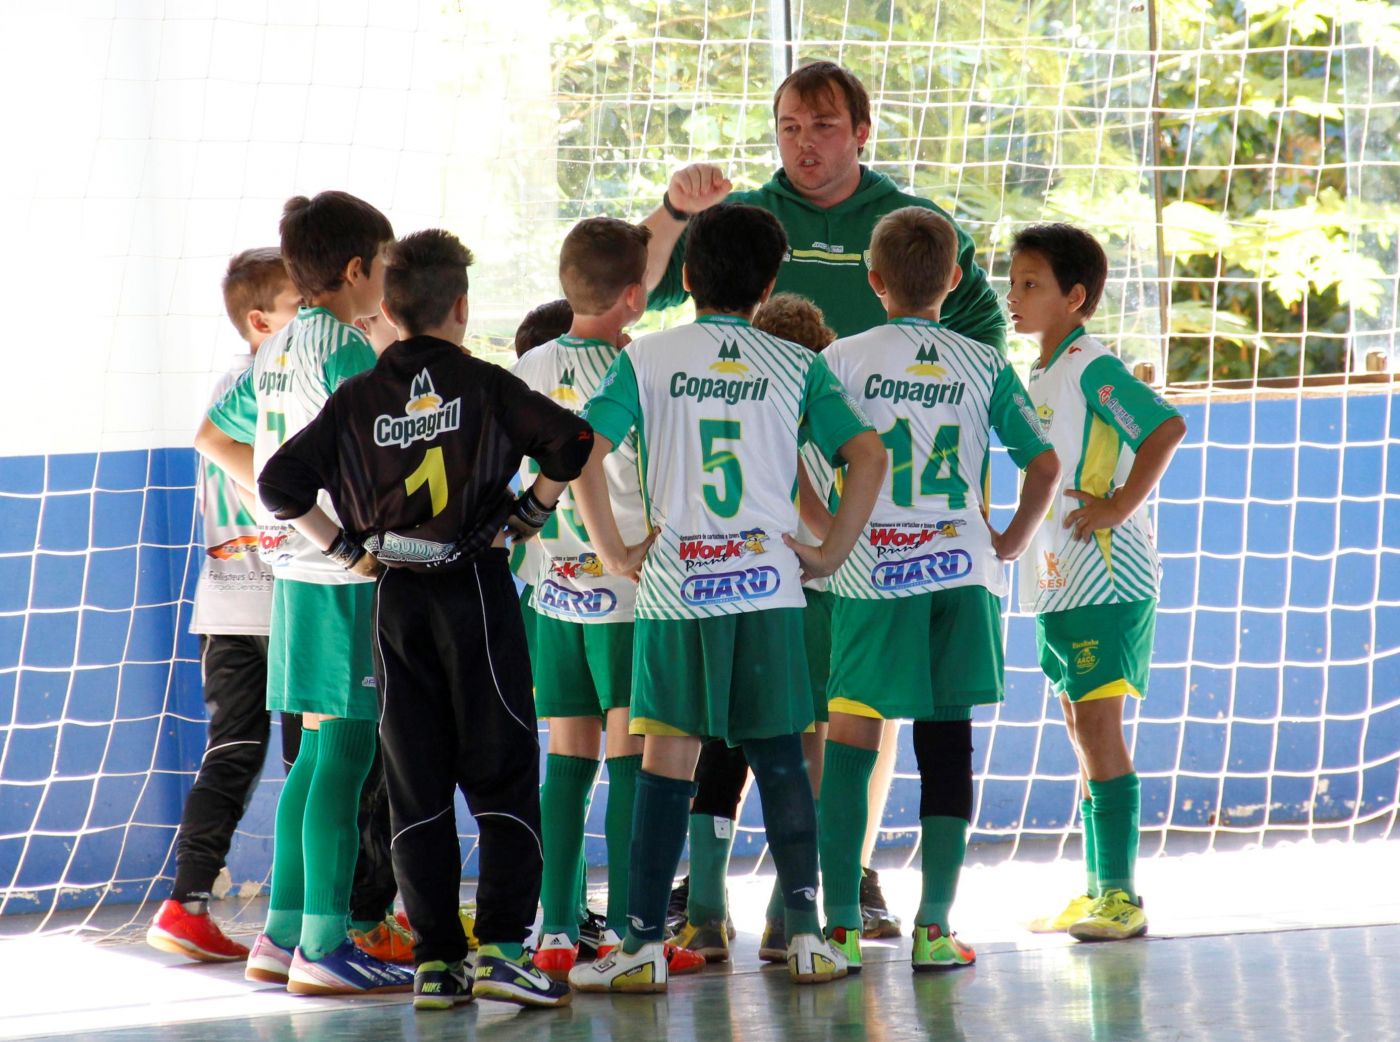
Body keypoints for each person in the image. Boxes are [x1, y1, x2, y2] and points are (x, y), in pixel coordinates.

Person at [643, 60, 1010, 934]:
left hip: (876, 528)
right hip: (771, 517)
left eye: (824, 126)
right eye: (789, 127)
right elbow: (643, 285)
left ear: (862, 131)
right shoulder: (743, 220)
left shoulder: (912, 224)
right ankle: (717, 899)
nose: (804, 144)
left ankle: (832, 884)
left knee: (851, 712)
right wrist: (670, 212)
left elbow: (981, 347)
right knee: (751, 715)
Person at [258, 228, 590, 1009]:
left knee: (415, 781)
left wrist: (348, 550)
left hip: (396, 598)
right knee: (504, 770)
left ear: (392, 307)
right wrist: (531, 511)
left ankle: (437, 963)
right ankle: (503, 949)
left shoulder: (359, 395)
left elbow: (278, 483)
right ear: (461, 306)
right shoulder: (485, 383)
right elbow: (572, 439)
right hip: (475, 591)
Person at [565, 203, 887, 994]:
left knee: (668, 758)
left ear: (685, 276)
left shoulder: (646, 358)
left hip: (677, 590)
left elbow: (581, 451)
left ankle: (643, 945)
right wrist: (831, 553)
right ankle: (806, 938)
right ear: (769, 284)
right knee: (781, 756)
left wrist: (614, 551)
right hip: (769, 589)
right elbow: (869, 456)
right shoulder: (797, 364)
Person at [816, 206, 1060, 972]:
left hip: (870, 573)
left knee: (850, 738)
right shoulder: (984, 362)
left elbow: (795, 456)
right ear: (955, 280)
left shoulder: (841, 359)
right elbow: (1045, 465)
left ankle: (839, 928)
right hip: (962, 570)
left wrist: (830, 538)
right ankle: (934, 930)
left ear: (874, 280)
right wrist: (1011, 540)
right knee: (947, 744)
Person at [198, 191, 411, 996]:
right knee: (346, 757)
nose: (388, 277)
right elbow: (383, 459)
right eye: (384, 264)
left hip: (292, 569)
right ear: (358, 270)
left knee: (318, 756)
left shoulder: (277, 346)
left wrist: (282, 512)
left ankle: (282, 934)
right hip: (342, 576)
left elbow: (213, 435)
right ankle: (325, 943)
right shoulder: (348, 353)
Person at [512, 218, 707, 983]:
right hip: (628, 593)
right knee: (631, 758)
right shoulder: (641, 368)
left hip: (553, 591)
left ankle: (556, 928)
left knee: (566, 760)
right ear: (635, 295)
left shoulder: (527, 365)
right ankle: (632, 931)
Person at [1007, 223, 1185, 942]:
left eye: (1030, 284)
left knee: (1099, 729)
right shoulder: (1041, 371)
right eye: (1012, 282)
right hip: (1060, 576)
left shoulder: (1091, 365)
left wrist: (1119, 505)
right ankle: (1095, 890)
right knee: (1079, 727)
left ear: (1075, 298)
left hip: (1107, 577)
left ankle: (1122, 895)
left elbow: (1164, 427)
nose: (1014, 296)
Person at [669, 293, 842, 966]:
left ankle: (706, 915)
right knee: (804, 753)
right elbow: (821, 517)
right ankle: (788, 917)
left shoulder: (724, 411)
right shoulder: (824, 422)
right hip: (806, 604)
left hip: (723, 594)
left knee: (720, 748)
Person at [145, 248, 300, 963]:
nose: (317, 316)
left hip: (227, 604)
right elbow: (270, 487)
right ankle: (312, 919)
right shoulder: (270, 384)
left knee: (236, 753)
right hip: (284, 599)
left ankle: (187, 903)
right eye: (302, 306)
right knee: (316, 758)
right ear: (261, 321)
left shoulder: (231, 384)